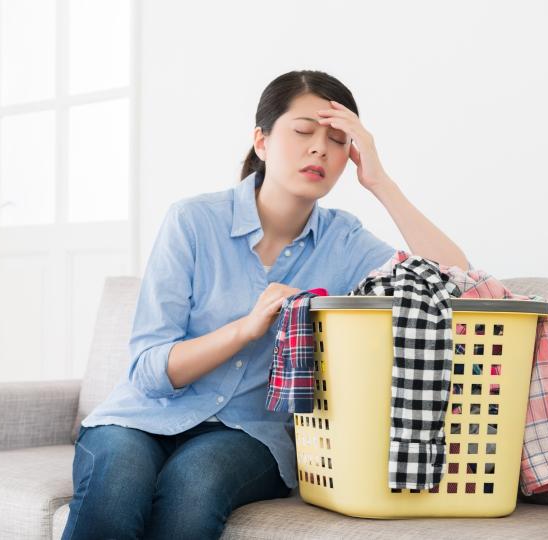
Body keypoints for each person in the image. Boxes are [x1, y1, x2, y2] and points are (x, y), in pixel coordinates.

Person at [60, 69, 470, 540]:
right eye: (302, 132)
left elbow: (458, 280)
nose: (319, 148)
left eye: (338, 140)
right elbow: (150, 369)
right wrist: (245, 328)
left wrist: (379, 181)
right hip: (141, 416)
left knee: (192, 487)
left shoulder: (345, 241)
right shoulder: (193, 221)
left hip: (249, 434)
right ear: (262, 141)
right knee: (115, 487)